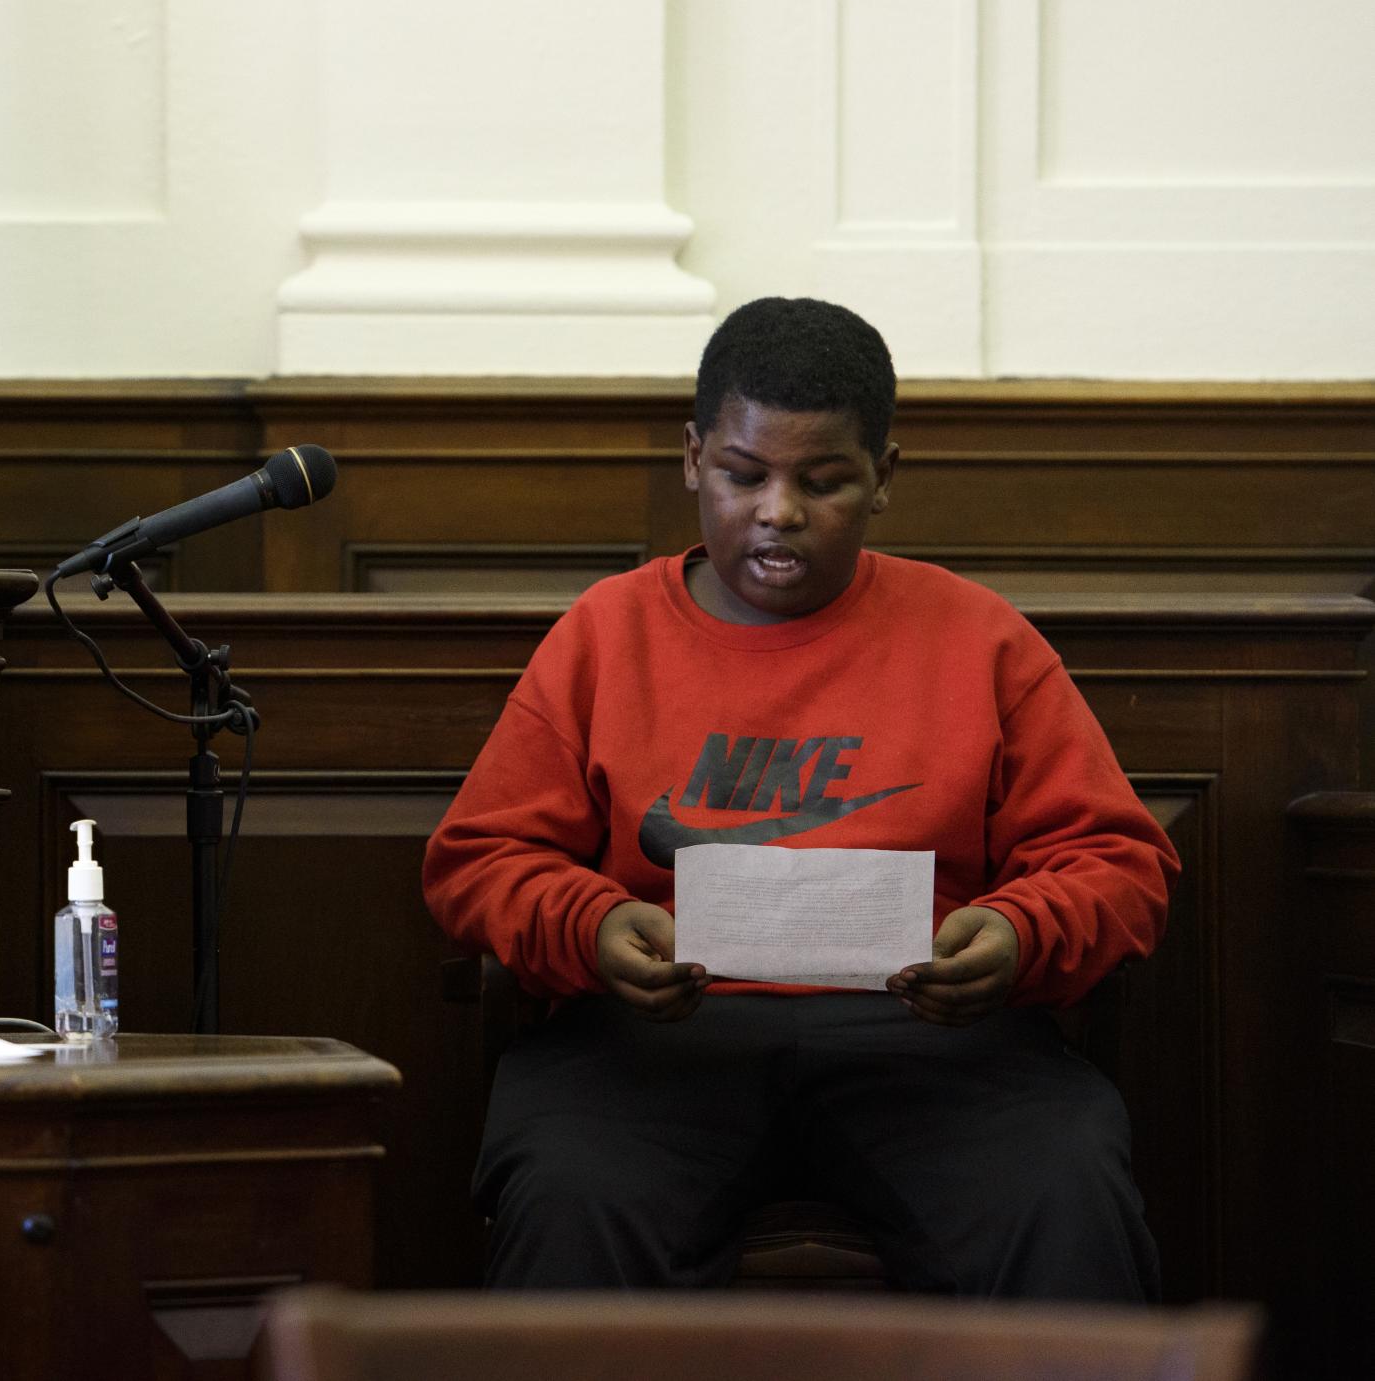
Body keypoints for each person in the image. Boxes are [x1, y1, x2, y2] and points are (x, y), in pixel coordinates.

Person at [422, 296, 1178, 1300]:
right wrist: (593, 923)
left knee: (1064, 1195)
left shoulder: (978, 638)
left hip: (935, 1045)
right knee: (571, 1200)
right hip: (652, 1047)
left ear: (882, 478)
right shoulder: (606, 635)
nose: (777, 510)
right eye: (743, 474)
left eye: (822, 481)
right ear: (693, 459)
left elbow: (1120, 864)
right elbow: (477, 859)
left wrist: (1017, 931)